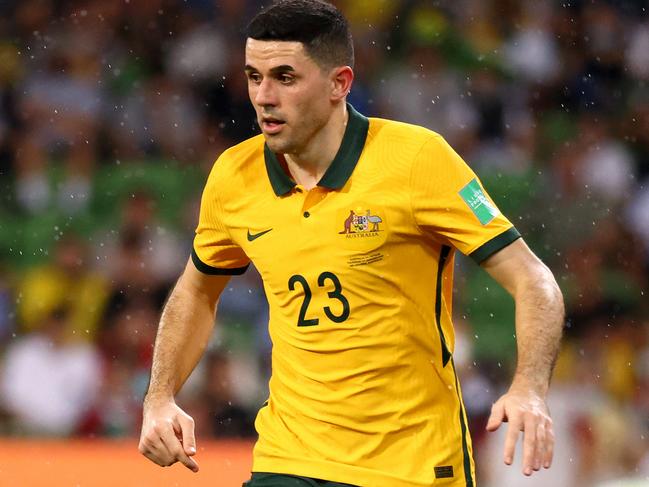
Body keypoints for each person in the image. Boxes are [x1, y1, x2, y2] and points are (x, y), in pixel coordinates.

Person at [138, 1, 565, 486]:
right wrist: (160, 396)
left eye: (285, 77)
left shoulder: (417, 160)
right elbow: (196, 291)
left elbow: (532, 277)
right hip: (291, 459)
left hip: (413, 465)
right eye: (254, 77)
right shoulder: (234, 177)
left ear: (340, 84)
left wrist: (529, 386)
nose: (264, 96)